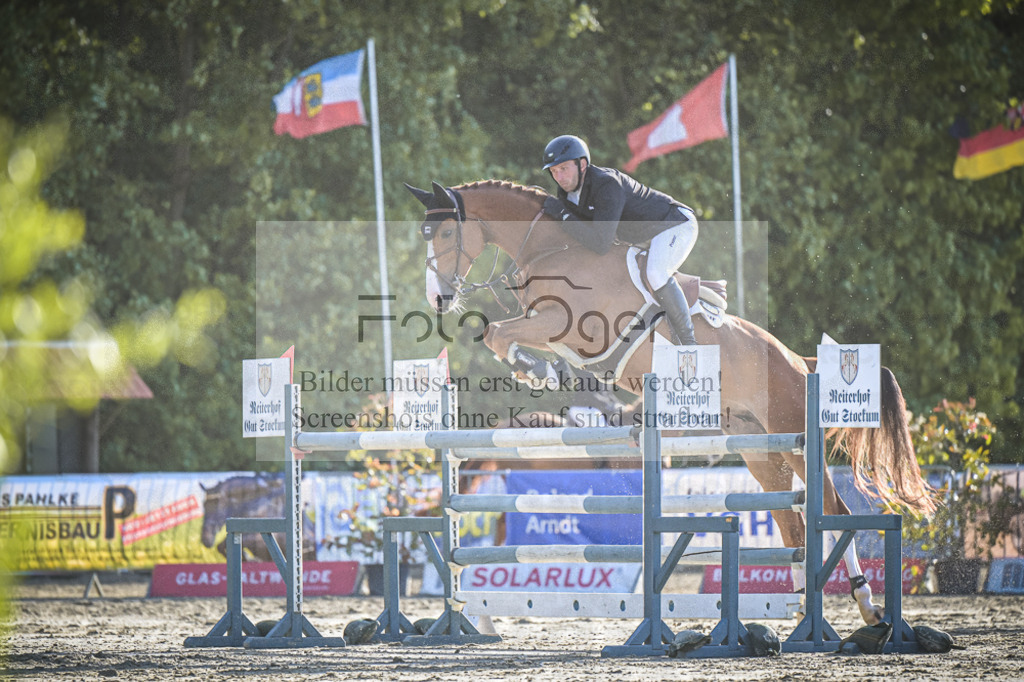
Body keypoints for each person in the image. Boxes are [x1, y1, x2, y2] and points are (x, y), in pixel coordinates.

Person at [540, 134, 698, 346]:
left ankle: (689, 342)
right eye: (554, 171)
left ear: (583, 164)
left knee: (655, 273)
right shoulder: (566, 194)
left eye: (564, 168)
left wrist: (564, 216)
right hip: (641, 236)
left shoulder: (607, 184)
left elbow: (601, 244)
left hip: (673, 225)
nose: (559, 176)